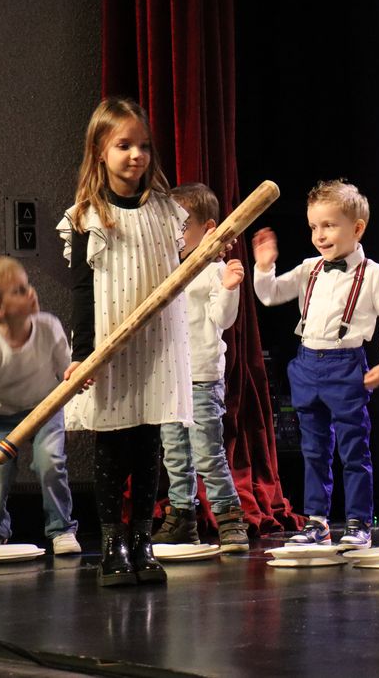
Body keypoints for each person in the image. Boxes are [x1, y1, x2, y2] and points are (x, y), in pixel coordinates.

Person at [58, 97, 194, 586]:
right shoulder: (87, 217)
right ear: (100, 150)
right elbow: (82, 290)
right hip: (111, 343)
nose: (136, 155)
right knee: (113, 443)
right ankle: (112, 543)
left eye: (144, 146)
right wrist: (83, 355)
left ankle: (142, 539)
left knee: (148, 443)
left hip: (156, 341)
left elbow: (179, 268)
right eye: (123, 145)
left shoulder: (166, 211)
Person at [253, 180, 379, 549]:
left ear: (357, 228)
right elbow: (270, 295)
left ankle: (358, 522)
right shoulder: (310, 269)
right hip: (307, 364)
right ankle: (316, 522)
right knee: (313, 450)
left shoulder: (373, 274)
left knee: (353, 449)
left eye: (329, 226)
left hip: (346, 365)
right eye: (314, 227)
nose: (319, 235)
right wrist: (264, 267)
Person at [0, 257, 80, 555]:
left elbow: (68, 375)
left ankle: (61, 528)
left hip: (46, 410)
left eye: (27, 285)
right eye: (19, 291)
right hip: (3, 417)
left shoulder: (49, 327)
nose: (31, 292)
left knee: (50, 463)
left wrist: (70, 418)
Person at [154, 183, 249, 552]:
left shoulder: (214, 271)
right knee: (175, 454)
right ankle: (182, 517)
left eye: (182, 225)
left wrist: (229, 287)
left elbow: (223, 319)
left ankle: (229, 518)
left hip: (201, 376)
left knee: (207, 453)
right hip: (169, 377)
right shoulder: (165, 268)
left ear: (208, 228)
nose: (175, 234)